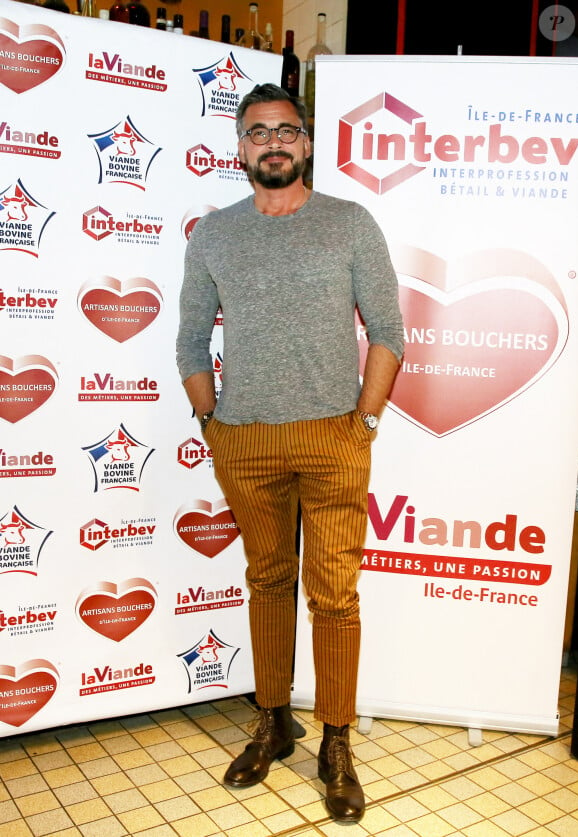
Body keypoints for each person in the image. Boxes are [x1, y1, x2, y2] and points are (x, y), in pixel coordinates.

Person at [176, 83, 404, 823]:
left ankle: (335, 743)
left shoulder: (350, 222)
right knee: (267, 580)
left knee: (334, 594)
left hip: (335, 435)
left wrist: (363, 421)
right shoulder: (213, 233)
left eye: (286, 131)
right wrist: (211, 420)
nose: (273, 142)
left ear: (306, 144)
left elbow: (389, 332)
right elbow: (188, 338)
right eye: (258, 132)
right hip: (245, 438)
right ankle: (273, 720)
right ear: (239, 149)